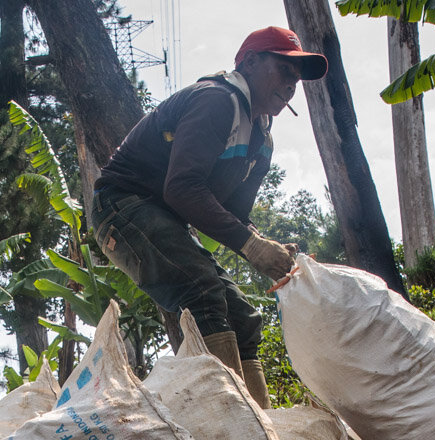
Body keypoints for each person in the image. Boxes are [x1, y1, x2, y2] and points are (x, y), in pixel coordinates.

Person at [89, 26, 327, 407]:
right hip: (121, 208)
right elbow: (182, 189)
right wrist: (252, 246)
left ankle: (263, 427)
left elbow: (232, 216)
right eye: (285, 71)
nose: (290, 86)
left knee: (244, 318)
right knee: (201, 290)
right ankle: (233, 421)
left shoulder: (261, 141)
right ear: (250, 62)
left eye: (296, 81)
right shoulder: (218, 101)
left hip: (164, 218)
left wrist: (268, 247)